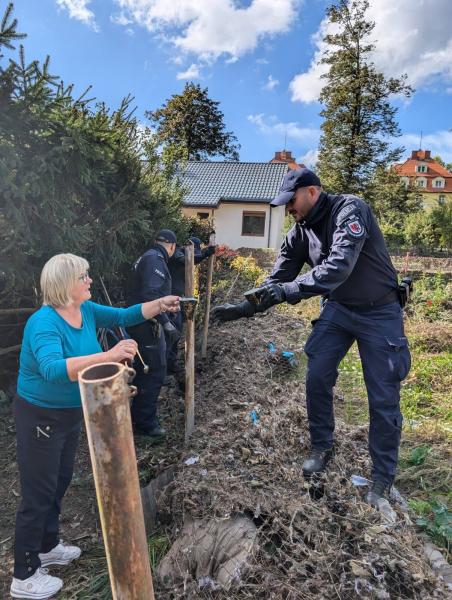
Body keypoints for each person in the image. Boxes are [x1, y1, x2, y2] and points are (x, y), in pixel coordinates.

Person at [212, 168, 411, 508]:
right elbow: (277, 280)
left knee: (382, 396)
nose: (288, 209)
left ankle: (381, 478)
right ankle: (321, 446)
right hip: (340, 308)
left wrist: (287, 291)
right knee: (317, 374)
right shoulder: (299, 232)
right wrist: (242, 308)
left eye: (291, 201)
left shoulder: (350, 210)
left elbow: (338, 267)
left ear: (312, 192)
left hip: (380, 312)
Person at [11, 253, 179, 599]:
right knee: (38, 492)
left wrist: (159, 304)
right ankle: (24, 574)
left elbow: (124, 314)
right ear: (65, 285)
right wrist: (108, 355)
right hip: (40, 416)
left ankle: (48, 546)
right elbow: (53, 369)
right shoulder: (44, 323)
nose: (89, 280)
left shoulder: (85, 310)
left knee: (59, 481)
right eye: (83, 276)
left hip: (71, 413)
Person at [127, 229, 180, 437]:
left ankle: (138, 416)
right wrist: (166, 323)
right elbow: (151, 294)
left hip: (140, 322)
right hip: (146, 325)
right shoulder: (156, 260)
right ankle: (145, 424)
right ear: (172, 247)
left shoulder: (148, 257)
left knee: (145, 369)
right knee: (154, 370)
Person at [167, 236, 216, 373]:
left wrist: (205, 252)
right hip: (170, 300)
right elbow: (189, 260)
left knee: (178, 329)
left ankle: (172, 363)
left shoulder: (181, 253)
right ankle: (168, 367)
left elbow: (193, 258)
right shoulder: (178, 254)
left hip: (178, 298)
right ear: (189, 249)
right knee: (173, 333)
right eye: (195, 252)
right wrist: (206, 253)